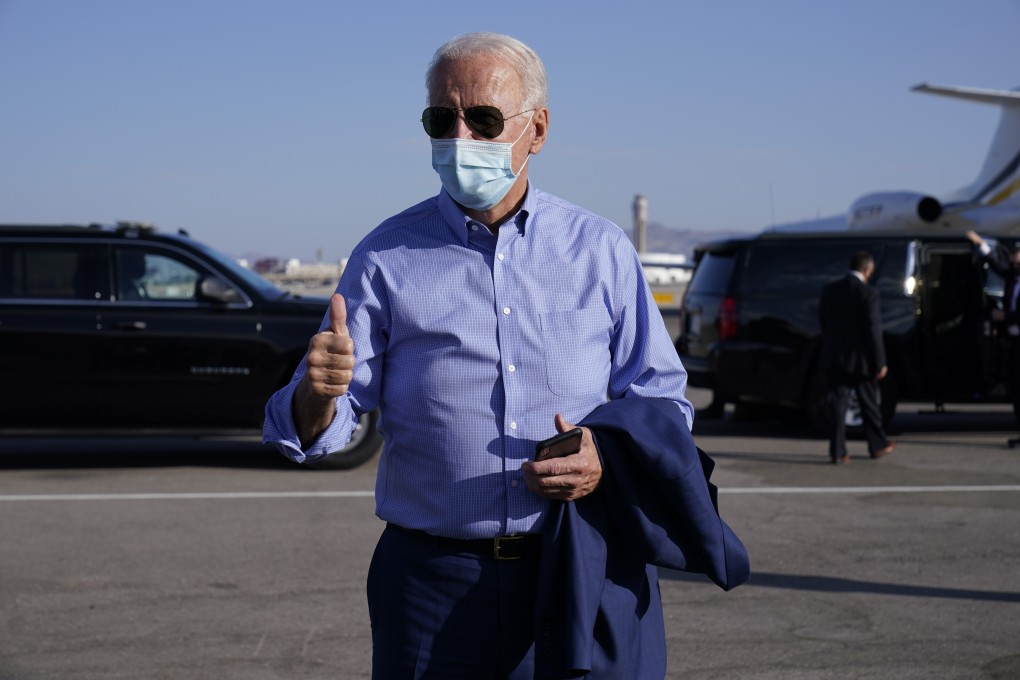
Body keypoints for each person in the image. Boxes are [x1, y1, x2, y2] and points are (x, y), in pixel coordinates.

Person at [264, 32, 747, 678]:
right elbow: (329, 419)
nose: (460, 137)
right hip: (432, 587)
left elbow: (661, 399)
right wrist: (315, 396)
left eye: (484, 120)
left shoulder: (601, 252)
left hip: (579, 565)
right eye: (442, 119)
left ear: (536, 130)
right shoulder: (383, 258)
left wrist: (605, 457)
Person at [818, 251, 896, 464]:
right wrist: (880, 361)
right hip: (862, 361)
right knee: (869, 404)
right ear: (867, 269)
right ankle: (877, 445)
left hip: (835, 357)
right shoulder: (869, 294)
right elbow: (873, 330)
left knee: (838, 406)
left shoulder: (829, 290)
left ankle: (838, 451)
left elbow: (824, 323)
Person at [965, 230, 1020, 425]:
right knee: (1015, 387)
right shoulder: (1014, 277)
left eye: (1016, 253)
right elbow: (998, 266)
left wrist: (1007, 316)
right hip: (1013, 341)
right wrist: (981, 243)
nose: (1013, 257)